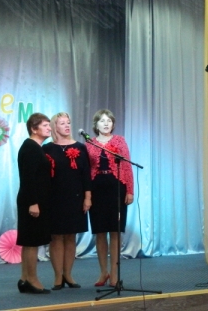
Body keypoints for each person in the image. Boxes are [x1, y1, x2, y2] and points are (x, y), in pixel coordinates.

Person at [42, 112, 92, 290]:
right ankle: (57, 276)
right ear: (54, 126)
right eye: (62, 123)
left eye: (68, 122)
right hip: (53, 198)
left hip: (75, 197)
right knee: (56, 237)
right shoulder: (47, 148)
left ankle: (68, 275)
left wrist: (88, 197)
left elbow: (86, 174)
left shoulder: (80, 147)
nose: (67, 126)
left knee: (71, 236)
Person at [87, 109, 134, 287]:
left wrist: (130, 190)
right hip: (97, 188)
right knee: (100, 232)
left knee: (115, 231)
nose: (106, 124)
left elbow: (127, 166)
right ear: (96, 124)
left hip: (117, 188)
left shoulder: (120, 141)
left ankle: (114, 273)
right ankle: (103, 272)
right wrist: (86, 194)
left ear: (113, 124)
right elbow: (86, 170)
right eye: (102, 121)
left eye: (109, 121)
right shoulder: (89, 143)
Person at [16, 113, 52, 294]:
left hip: (34, 199)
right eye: (45, 125)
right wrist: (33, 202)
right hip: (31, 200)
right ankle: (32, 279)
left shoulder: (35, 147)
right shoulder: (31, 147)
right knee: (31, 241)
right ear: (33, 128)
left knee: (29, 241)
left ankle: (24, 278)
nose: (49, 128)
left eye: (49, 125)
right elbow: (28, 177)